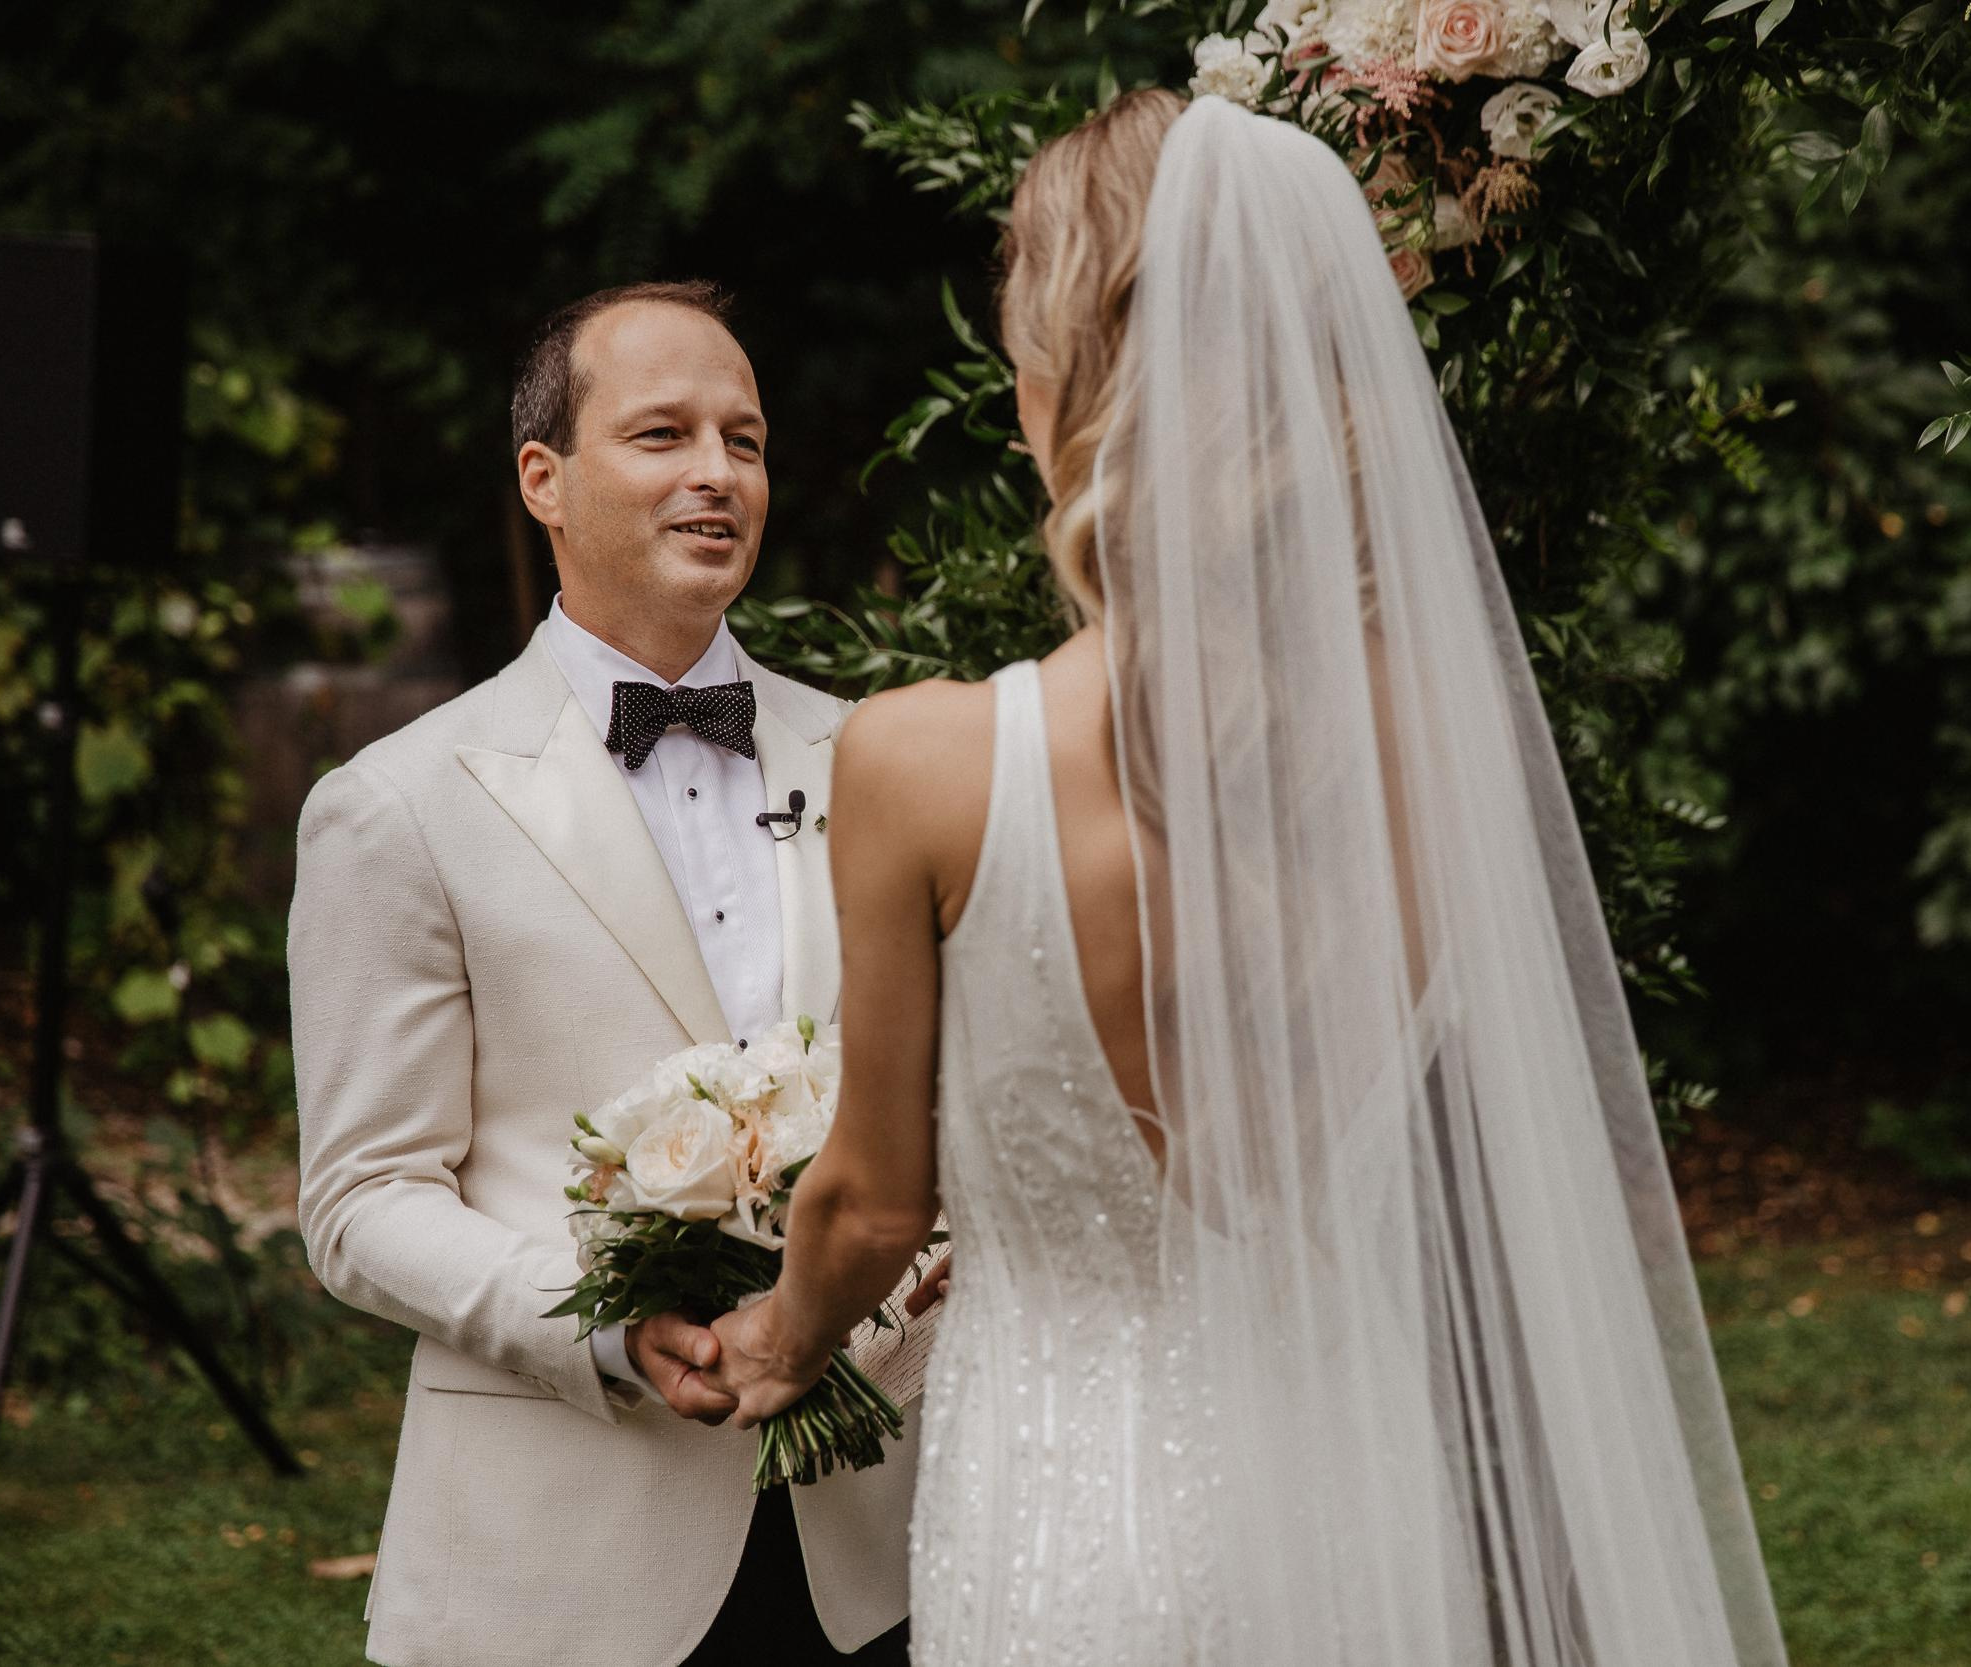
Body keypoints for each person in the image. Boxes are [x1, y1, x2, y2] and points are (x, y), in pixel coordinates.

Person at [706, 91, 1792, 1667]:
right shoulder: (1443, 729)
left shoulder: (925, 759)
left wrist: (783, 1338)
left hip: (1072, 1531)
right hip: (1365, 1517)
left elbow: (872, 1204)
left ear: (1051, 386)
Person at [290, 281, 919, 1667]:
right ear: (545, 479)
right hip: (558, 1558)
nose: (717, 473)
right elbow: (360, 1200)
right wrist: (605, 1335)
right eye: (664, 434)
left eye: (744, 441)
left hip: (867, 1551)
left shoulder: (879, 761)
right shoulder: (396, 803)